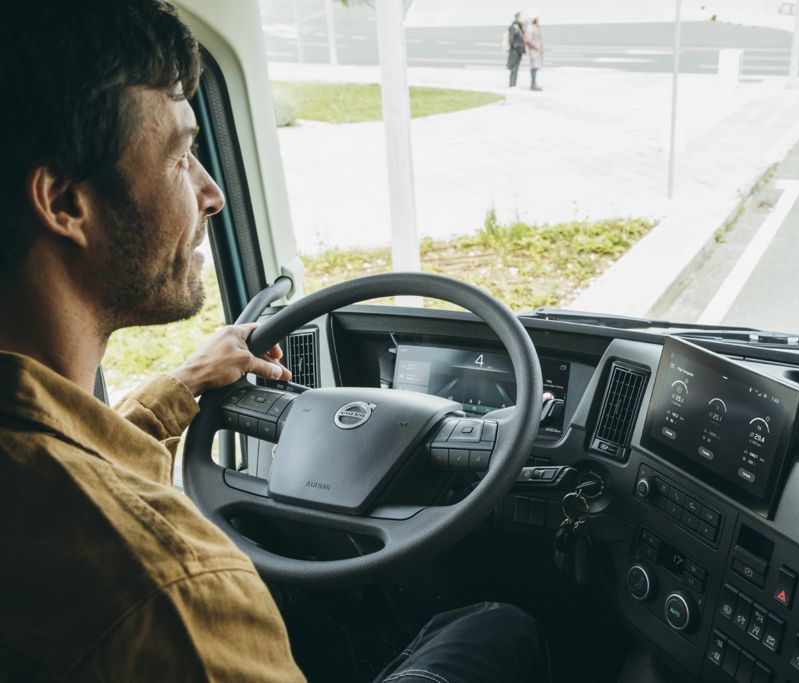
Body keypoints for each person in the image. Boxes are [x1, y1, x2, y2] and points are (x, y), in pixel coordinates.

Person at [0, 1, 547, 681]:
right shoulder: (175, 590)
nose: (213, 193)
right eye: (180, 156)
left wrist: (183, 388)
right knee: (495, 626)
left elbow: (77, 460)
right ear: (64, 204)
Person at [507, 12, 527, 87]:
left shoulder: (520, 27)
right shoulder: (514, 27)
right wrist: (517, 46)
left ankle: (513, 85)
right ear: (517, 17)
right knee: (514, 68)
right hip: (515, 50)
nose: (522, 19)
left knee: (516, 68)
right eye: (521, 17)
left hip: (519, 50)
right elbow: (511, 40)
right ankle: (512, 85)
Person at [525, 15, 544, 91]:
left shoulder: (536, 27)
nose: (538, 19)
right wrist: (535, 48)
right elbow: (528, 40)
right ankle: (533, 84)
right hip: (533, 51)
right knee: (533, 67)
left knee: (535, 67)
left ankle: (534, 83)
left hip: (537, 51)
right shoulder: (531, 28)